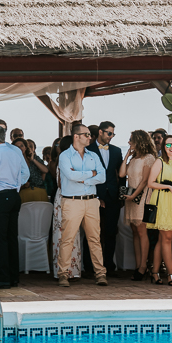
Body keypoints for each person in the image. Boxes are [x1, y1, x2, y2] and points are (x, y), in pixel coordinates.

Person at [55, 123, 108, 287]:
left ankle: (100, 274)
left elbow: (103, 177)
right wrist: (91, 174)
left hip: (92, 200)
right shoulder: (65, 156)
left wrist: (81, 176)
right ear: (76, 136)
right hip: (72, 201)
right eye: (86, 134)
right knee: (67, 239)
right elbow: (70, 176)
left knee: (95, 239)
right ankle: (63, 274)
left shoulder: (93, 155)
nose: (90, 137)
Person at [0, 125, 30, 288]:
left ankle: (3, 277)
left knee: (0, 238)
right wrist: (15, 190)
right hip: (14, 196)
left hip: (1, 197)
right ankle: (13, 275)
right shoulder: (15, 153)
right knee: (11, 237)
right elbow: (21, 175)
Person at [85, 121, 123, 275]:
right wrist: (95, 196)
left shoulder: (116, 151)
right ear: (100, 132)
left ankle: (109, 265)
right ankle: (89, 267)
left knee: (111, 233)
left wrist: (120, 196)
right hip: (93, 197)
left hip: (112, 197)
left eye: (113, 134)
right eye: (109, 133)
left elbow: (121, 175)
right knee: (92, 233)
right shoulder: (88, 149)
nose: (111, 136)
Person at [146, 134, 172, 286]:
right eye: (168, 145)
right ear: (163, 147)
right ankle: (171, 273)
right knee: (167, 239)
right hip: (162, 201)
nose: (171, 147)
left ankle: (155, 272)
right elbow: (150, 183)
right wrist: (168, 187)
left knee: (162, 240)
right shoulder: (159, 162)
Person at [119, 130, 157, 281]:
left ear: (139, 141)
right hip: (131, 198)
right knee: (135, 231)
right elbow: (122, 174)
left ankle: (143, 267)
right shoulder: (134, 158)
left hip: (142, 198)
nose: (129, 142)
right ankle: (137, 265)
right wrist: (127, 155)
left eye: (131, 140)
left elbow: (145, 181)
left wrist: (134, 196)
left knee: (142, 232)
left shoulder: (149, 158)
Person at [51, 136, 82, 278]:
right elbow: (60, 183)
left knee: (66, 233)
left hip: (67, 196)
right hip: (67, 196)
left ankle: (67, 269)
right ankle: (69, 270)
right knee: (68, 232)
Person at [13, 137, 48, 203]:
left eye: (22, 146)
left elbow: (45, 170)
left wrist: (33, 160)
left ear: (25, 147)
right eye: (17, 147)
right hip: (23, 192)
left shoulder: (34, 157)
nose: (20, 148)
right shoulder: (12, 162)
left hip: (39, 191)